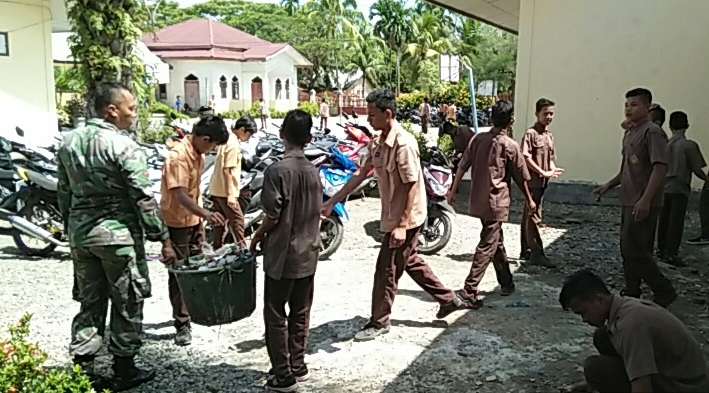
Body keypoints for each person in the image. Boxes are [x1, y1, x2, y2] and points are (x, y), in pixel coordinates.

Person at [322, 88, 469, 341]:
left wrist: (402, 226)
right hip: (392, 216)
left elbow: (412, 184)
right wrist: (332, 201)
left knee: (386, 270)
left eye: (372, 115)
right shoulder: (377, 141)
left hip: (407, 217)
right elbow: (360, 174)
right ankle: (449, 299)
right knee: (409, 260)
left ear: (387, 113)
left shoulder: (405, 143)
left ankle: (379, 321)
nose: (368, 120)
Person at [57, 83, 177, 391]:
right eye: (131, 108)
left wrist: (74, 225)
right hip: (117, 237)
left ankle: (83, 370)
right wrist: (161, 236)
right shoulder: (122, 146)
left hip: (81, 236)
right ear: (112, 110)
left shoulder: (68, 142)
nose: (134, 115)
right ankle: (124, 368)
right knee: (127, 300)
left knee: (89, 300)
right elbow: (142, 197)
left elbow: (64, 192)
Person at [250, 109, 322, 393]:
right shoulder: (315, 171)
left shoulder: (276, 171)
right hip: (309, 253)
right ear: (310, 138)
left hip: (282, 255)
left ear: (281, 136)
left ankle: (283, 376)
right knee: (301, 310)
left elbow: (272, 215)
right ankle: (298, 364)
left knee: (276, 314)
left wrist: (257, 236)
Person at [559, 269, 709, 393]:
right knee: (603, 336)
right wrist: (589, 385)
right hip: (675, 373)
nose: (584, 319)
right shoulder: (624, 306)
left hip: (685, 386)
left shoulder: (630, 324)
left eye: (583, 312)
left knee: (595, 368)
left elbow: (643, 386)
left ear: (600, 300)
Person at [592, 88, 676, 307]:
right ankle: (632, 290)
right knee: (629, 248)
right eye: (627, 105)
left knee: (633, 248)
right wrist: (608, 185)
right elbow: (626, 169)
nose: (629, 109)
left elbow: (660, 167)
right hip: (628, 199)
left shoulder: (652, 132)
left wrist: (646, 199)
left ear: (648, 107)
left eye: (634, 104)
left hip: (642, 200)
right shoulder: (630, 132)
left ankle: (664, 290)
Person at [447, 100, 537, 303]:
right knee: (488, 243)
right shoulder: (510, 146)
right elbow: (521, 178)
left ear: (490, 118)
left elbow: (462, 166)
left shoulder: (478, 140)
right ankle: (470, 289)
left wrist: (453, 190)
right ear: (511, 121)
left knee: (496, 241)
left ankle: (506, 282)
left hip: (478, 199)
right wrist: (530, 201)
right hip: (496, 201)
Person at [160, 115, 229, 346]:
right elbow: (179, 195)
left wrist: (201, 216)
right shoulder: (178, 157)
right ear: (205, 138)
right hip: (176, 223)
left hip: (193, 222)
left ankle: (196, 311)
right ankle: (181, 323)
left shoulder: (197, 155)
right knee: (179, 273)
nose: (212, 150)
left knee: (198, 267)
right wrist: (207, 214)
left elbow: (193, 192)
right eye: (213, 146)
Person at [656, 111, 709, 266]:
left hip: (663, 186)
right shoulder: (689, 145)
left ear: (670, 126)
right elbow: (697, 168)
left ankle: (661, 249)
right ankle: (671, 253)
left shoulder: (664, 144)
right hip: (679, 187)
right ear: (687, 125)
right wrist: (706, 179)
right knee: (676, 222)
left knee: (664, 220)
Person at [519, 98, 564, 267]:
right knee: (534, 216)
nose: (549, 117)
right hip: (532, 181)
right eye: (545, 113)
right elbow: (526, 157)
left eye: (551, 113)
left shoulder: (548, 135)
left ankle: (527, 251)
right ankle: (536, 252)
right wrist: (542, 171)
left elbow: (551, 158)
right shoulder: (531, 134)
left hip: (542, 182)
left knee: (529, 215)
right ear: (537, 114)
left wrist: (552, 170)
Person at [209, 115, 257, 249]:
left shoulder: (227, 140)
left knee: (220, 221)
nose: (248, 138)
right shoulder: (233, 144)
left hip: (216, 188)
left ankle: (216, 248)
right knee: (237, 220)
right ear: (242, 130)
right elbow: (228, 170)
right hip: (225, 191)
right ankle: (243, 250)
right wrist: (231, 194)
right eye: (249, 134)